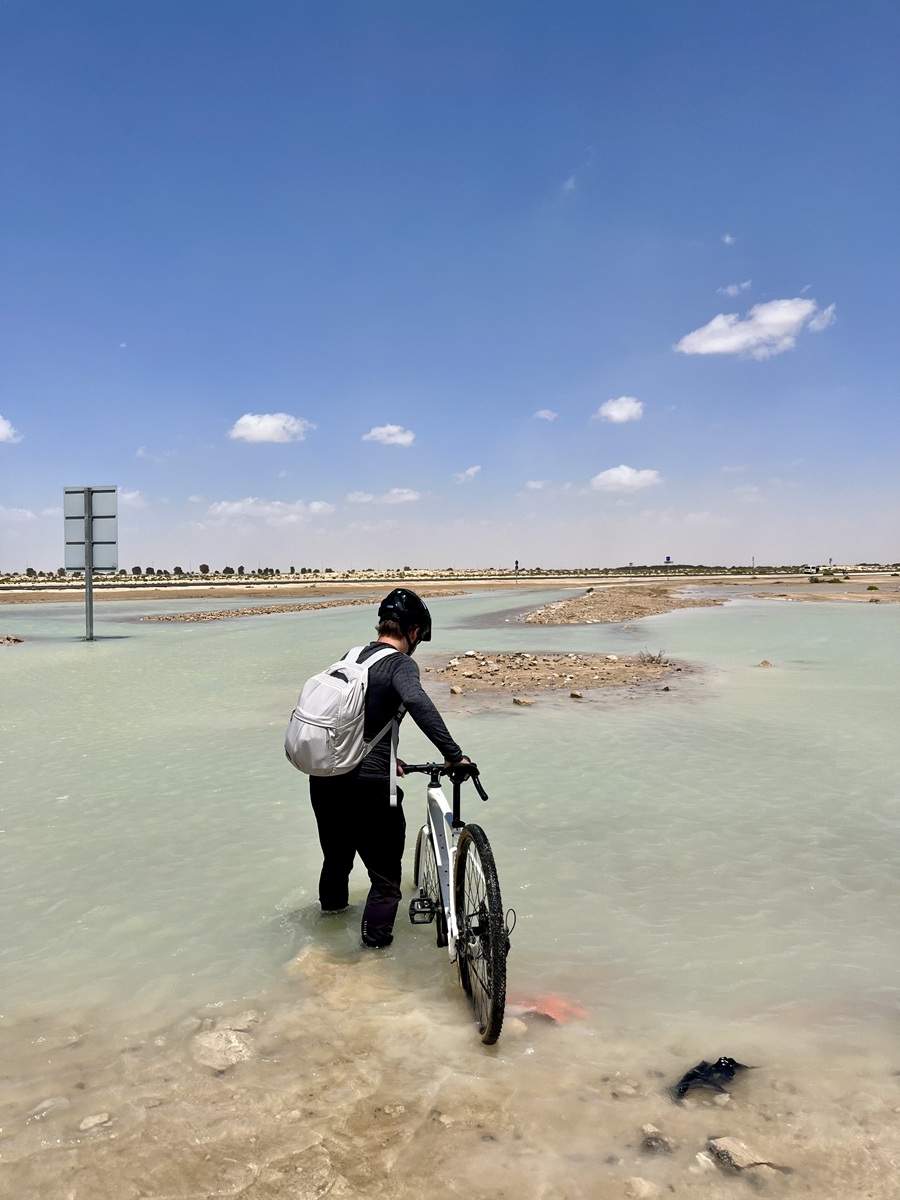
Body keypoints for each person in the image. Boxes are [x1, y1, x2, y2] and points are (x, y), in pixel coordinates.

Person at [308, 588, 469, 948]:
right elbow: (416, 701)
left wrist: (387, 754)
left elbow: (354, 718)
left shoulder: (351, 657)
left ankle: (327, 935)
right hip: (367, 786)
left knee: (336, 862)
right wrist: (454, 755)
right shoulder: (400, 664)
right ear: (413, 632)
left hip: (324, 778)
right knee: (385, 881)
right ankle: (374, 955)